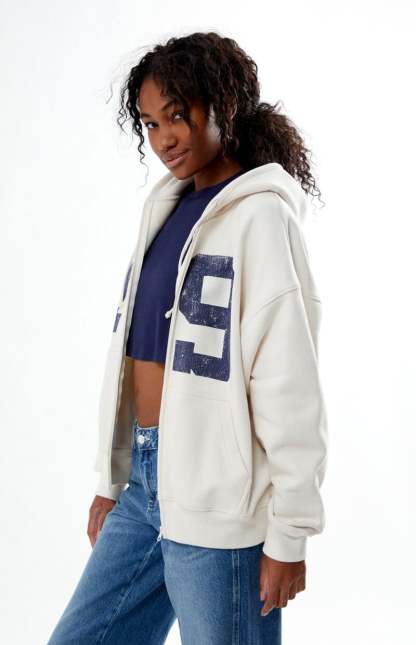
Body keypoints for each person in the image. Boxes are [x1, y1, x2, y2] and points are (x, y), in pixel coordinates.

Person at [47, 30, 328, 645]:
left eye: (178, 115)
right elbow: (134, 355)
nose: (164, 138)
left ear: (223, 105)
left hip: (221, 500)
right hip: (146, 485)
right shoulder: (166, 210)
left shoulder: (260, 218)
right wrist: (113, 477)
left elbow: (288, 382)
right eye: (150, 124)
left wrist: (289, 533)